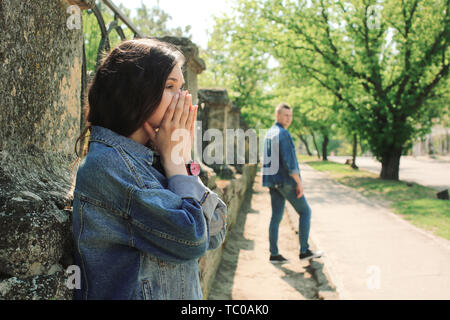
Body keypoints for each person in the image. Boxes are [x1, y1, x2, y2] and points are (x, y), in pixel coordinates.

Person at [72, 38, 227, 300]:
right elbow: (193, 240)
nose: (183, 98)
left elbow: (216, 231)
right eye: (170, 86)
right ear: (135, 92)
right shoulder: (109, 165)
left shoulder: (155, 159)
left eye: (183, 88)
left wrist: (182, 158)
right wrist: (178, 165)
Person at [262, 103, 322, 263]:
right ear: (277, 115)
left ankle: (274, 254)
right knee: (305, 212)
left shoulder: (269, 133)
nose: (289, 119)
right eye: (285, 115)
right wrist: (299, 183)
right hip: (285, 181)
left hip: (272, 182)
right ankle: (304, 250)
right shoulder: (283, 134)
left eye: (290, 115)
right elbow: (290, 163)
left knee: (276, 217)